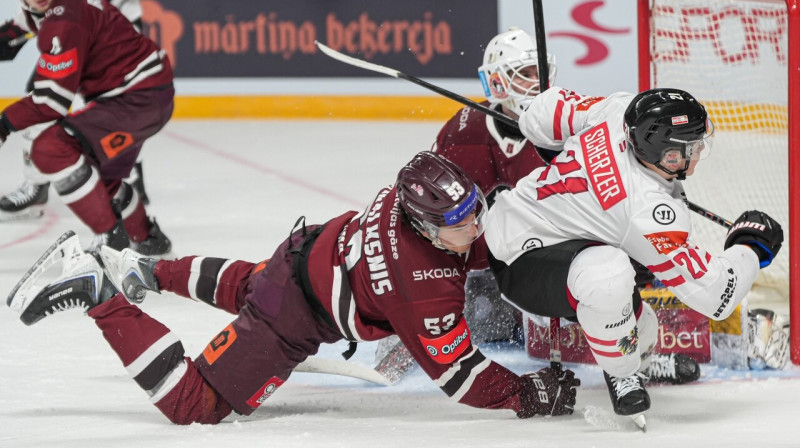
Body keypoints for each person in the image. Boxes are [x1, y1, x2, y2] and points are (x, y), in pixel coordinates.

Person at [7, 151, 581, 424]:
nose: (473, 228)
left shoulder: (406, 192)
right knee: (194, 406)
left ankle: (146, 271)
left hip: (305, 255)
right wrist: (525, 394)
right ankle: (99, 292)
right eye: (459, 224)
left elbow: (472, 230)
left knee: (254, 285)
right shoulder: (423, 285)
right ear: (425, 225)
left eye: (473, 212)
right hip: (298, 313)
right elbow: (461, 377)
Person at [376, 28, 701, 386]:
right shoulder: (462, 135)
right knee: (483, 317)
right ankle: (406, 330)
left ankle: (631, 360)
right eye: (525, 74)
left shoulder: (562, 128)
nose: (537, 83)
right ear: (498, 84)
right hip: (488, 262)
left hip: (557, 254)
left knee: (610, 278)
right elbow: (430, 216)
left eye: (540, 72)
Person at [483, 86, 783, 422]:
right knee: (610, 277)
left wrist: (556, 146)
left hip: (542, 227)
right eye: (695, 146)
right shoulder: (646, 212)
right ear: (670, 157)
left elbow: (542, 113)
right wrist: (750, 248)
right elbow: (716, 295)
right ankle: (623, 371)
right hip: (520, 260)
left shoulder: (621, 110)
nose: (700, 150)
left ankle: (637, 358)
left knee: (645, 327)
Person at [0, 0, 171, 254]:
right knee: (96, 173)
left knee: (51, 149)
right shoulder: (44, 10)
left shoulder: (64, 15)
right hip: (141, 93)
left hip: (135, 99)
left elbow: (50, 102)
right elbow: (11, 37)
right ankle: (149, 240)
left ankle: (111, 242)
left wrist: (3, 125)